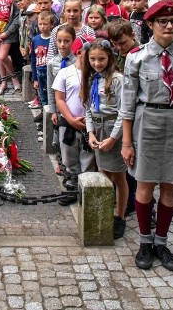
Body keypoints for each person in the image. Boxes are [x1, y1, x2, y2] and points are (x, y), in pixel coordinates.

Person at [119, 0, 173, 272]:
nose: (169, 26)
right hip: (148, 121)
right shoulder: (136, 57)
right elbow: (127, 104)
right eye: (162, 22)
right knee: (144, 187)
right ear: (151, 25)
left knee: (170, 187)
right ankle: (145, 242)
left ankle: (161, 242)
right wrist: (126, 142)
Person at [83, 38, 127, 240]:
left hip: (113, 129)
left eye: (101, 59)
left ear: (109, 57)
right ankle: (106, 209)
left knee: (118, 176)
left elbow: (123, 112)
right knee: (103, 172)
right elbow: (89, 109)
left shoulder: (117, 79)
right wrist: (90, 132)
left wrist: (113, 137)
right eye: (92, 59)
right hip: (98, 129)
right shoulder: (92, 78)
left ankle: (120, 216)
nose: (97, 63)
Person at [52, 34, 95, 190]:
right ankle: (71, 183)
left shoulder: (96, 74)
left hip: (88, 124)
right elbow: (60, 99)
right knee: (69, 156)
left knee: (88, 157)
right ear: (79, 52)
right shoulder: (65, 73)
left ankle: (87, 188)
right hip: (69, 122)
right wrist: (70, 119)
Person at [106, 19, 140, 216]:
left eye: (122, 43)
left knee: (133, 161)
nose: (119, 47)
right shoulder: (121, 54)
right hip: (122, 111)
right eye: (116, 44)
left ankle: (134, 200)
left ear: (132, 36)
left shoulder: (138, 55)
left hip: (134, 114)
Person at [46, 24, 76, 165]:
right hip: (59, 106)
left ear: (73, 41)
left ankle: (71, 166)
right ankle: (61, 163)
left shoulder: (77, 62)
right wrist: (53, 110)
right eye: (59, 41)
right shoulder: (52, 63)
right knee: (58, 136)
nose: (63, 45)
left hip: (73, 104)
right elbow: (50, 87)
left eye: (66, 41)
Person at [31, 11, 54, 108]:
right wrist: (35, 78)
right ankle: (44, 115)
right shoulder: (35, 39)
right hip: (40, 71)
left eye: (45, 24)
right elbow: (33, 59)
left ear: (51, 25)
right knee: (42, 95)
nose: (42, 27)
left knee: (51, 95)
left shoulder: (53, 39)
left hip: (51, 72)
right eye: (40, 24)